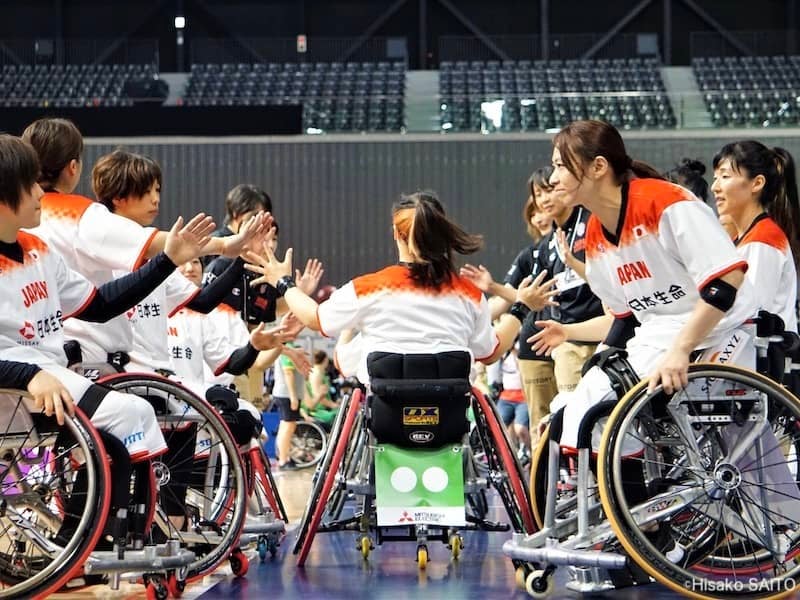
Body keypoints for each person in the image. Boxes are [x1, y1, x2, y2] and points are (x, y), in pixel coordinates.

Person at [528, 119, 757, 453]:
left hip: (719, 330)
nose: (552, 178)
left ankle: (624, 499)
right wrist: (588, 351)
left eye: (561, 166)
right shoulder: (595, 236)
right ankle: (621, 502)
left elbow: (726, 281)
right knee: (569, 413)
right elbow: (624, 319)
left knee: (599, 411)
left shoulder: (665, 202)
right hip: (659, 338)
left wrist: (681, 349)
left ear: (598, 167)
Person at [0, 133, 212, 460]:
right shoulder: (84, 218)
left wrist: (167, 261)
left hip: (47, 381)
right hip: (19, 386)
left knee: (135, 417)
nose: (42, 190)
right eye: (31, 183)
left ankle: (125, 512)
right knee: (128, 417)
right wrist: (29, 375)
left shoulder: (38, 249)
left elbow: (99, 305)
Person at [22, 119, 269, 368]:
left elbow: (199, 299)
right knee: (135, 410)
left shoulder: (25, 217)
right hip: (93, 360)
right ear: (73, 167)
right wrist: (225, 246)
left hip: (48, 352)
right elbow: (168, 244)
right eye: (147, 191)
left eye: (157, 191)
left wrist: (235, 255)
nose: (155, 200)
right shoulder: (78, 215)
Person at [244, 191, 550, 387]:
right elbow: (491, 351)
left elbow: (315, 318)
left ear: (395, 233)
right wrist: (521, 306)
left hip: (385, 416)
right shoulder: (469, 294)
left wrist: (282, 282)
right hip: (449, 420)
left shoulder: (370, 287)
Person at [460, 168, 559, 444]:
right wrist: (467, 324)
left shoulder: (575, 242)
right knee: (542, 424)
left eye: (545, 194)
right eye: (533, 209)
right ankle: (546, 482)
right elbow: (504, 301)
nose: (539, 214)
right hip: (535, 348)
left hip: (569, 340)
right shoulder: (529, 256)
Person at [711, 140, 799, 333]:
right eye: (715, 177)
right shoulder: (745, 238)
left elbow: (748, 313)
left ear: (757, 183)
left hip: (758, 356)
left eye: (724, 176)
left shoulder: (763, 240)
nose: (714, 187)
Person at [302, 350, 340, 427]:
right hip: (318, 409)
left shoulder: (319, 373)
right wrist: (333, 405)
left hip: (321, 407)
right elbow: (318, 396)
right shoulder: (317, 374)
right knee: (340, 415)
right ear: (325, 359)